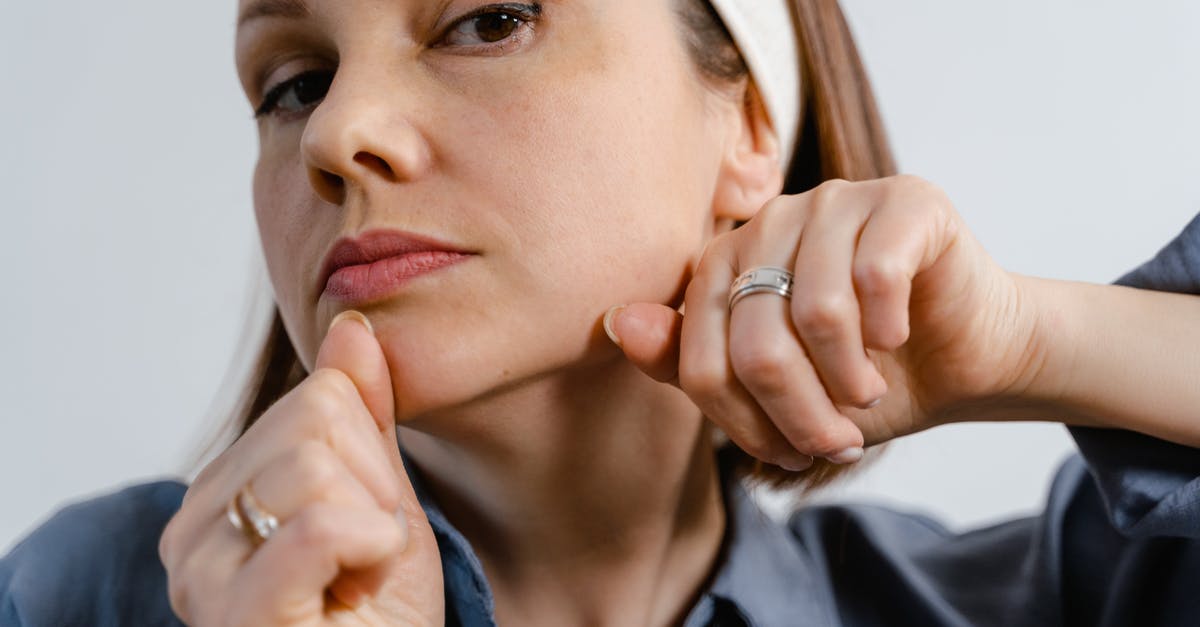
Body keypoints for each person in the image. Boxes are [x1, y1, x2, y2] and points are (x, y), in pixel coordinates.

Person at [2, 0, 1199, 625]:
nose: (334, 130)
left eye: (489, 18)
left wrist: (1048, 344)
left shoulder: (1056, 602)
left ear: (747, 127)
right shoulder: (78, 597)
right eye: (293, 80)